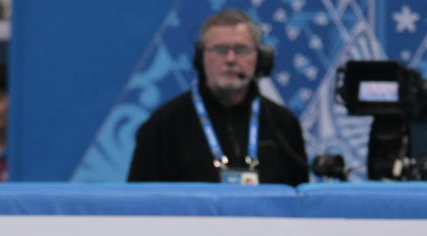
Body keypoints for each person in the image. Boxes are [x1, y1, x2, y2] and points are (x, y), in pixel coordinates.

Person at [127, 9, 309, 186]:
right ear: (200, 57)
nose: (230, 59)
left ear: (260, 58)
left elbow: (301, 207)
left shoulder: (284, 126)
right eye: (220, 49)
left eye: (241, 49)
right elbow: (140, 206)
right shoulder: (163, 126)